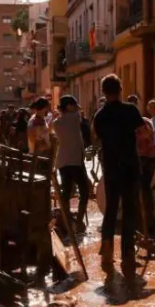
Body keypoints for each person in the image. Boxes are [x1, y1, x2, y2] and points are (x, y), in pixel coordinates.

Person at [93, 75, 144, 288]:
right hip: (130, 167)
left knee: (111, 210)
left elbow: (97, 138)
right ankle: (128, 255)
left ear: (104, 92)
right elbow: (142, 133)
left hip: (112, 168)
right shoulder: (130, 110)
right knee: (130, 212)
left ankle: (106, 254)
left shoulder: (100, 116)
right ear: (121, 89)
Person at [52, 95, 90, 232]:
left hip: (63, 161)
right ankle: (78, 222)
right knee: (85, 191)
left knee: (66, 192)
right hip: (75, 161)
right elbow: (78, 113)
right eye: (73, 105)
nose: (76, 107)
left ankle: (66, 220)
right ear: (68, 106)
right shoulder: (74, 118)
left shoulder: (56, 123)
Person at [127, 95, 155, 240]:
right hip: (136, 159)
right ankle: (140, 224)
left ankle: (148, 225)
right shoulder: (127, 123)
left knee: (144, 190)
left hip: (147, 159)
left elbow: (149, 135)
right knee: (137, 191)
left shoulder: (145, 122)